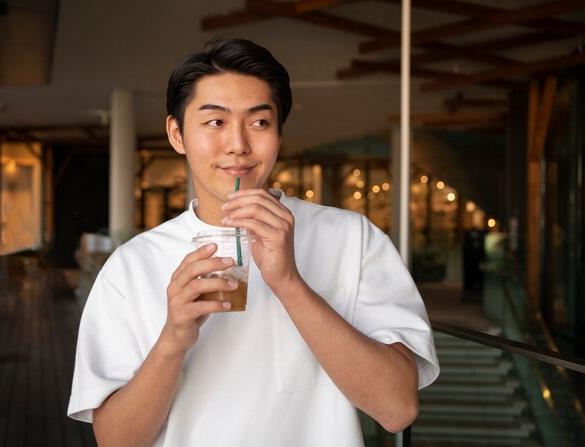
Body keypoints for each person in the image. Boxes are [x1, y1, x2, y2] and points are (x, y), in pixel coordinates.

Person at [68, 38, 439, 446]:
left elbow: (398, 409)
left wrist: (290, 284)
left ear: (279, 132)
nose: (238, 145)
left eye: (259, 122)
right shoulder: (131, 266)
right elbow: (115, 441)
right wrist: (172, 341)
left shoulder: (353, 238)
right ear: (177, 133)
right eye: (215, 122)